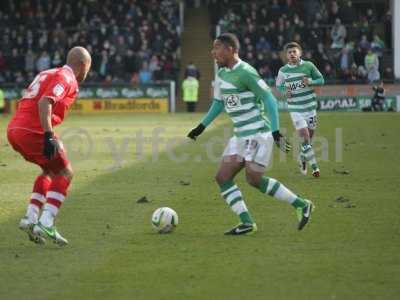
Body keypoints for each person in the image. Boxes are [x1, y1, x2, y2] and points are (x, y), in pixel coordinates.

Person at [187, 33, 314, 235]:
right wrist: (200, 127)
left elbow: (269, 99)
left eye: (217, 47)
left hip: (257, 133)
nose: (213, 52)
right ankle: (247, 223)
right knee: (222, 177)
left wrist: (275, 132)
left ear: (231, 49)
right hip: (239, 135)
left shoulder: (246, 72)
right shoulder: (221, 74)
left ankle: (301, 204)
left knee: (253, 178)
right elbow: (219, 103)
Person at [7, 46, 92, 246]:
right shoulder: (67, 78)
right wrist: (48, 135)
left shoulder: (48, 72)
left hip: (15, 129)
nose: (88, 72)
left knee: (48, 170)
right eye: (88, 67)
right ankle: (46, 221)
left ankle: (30, 217)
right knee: (65, 172)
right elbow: (45, 102)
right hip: (33, 130)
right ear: (82, 65)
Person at [276, 42, 325, 177]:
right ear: (286, 55)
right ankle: (315, 168)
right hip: (295, 108)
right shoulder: (283, 71)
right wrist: (285, 92)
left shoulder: (308, 66)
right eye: (289, 52)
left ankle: (303, 158)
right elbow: (279, 86)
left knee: (308, 140)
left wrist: (311, 82)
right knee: (304, 137)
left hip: (310, 108)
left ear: (300, 53)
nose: (292, 54)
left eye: (294, 51)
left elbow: (321, 80)